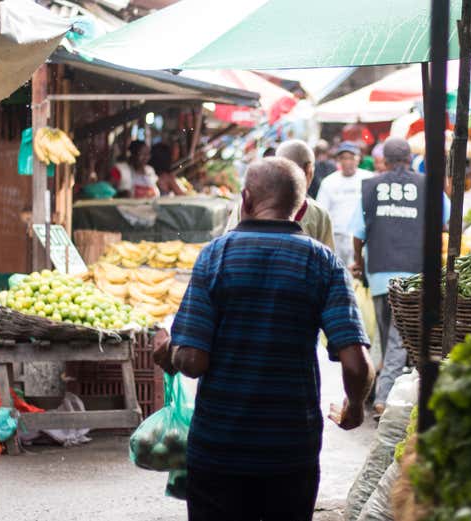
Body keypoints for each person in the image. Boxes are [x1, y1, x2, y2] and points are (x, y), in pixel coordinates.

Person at [154, 157, 374, 521]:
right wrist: (355, 408)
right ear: (301, 209)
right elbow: (356, 364)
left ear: (245, 199)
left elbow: (192, 361)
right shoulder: (324, 263)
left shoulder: (215, 256)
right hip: (291, 450)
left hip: (219, 448)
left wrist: (168, 350)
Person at [349, 137, 450, 418]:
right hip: (414, 274)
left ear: (385, 160)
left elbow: (358, 233)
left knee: (390, 335)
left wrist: (359, 262)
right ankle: (386, 397)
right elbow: (446, 223)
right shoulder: (428, 185)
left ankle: (385, 395)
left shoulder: (370, 186)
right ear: (409, 158)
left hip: (379, 272)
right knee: (396, 339)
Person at [225, 139, 336, 250]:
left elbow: (227, 243)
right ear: (309, 170)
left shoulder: (247, 204)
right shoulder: (318, 213)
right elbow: (328, 256)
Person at [316, 142, 374, 265]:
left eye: (351, 158)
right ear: (338, 160)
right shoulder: (329, 182)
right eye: (343, 158)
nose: (347, 162)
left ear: (358, 159)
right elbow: (321, 212)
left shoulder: (369, 179)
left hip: (363, 238)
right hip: (337, 237)